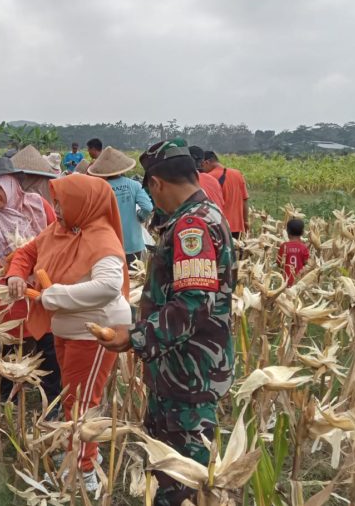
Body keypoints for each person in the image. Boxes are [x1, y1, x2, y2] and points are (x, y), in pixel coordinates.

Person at [95, 139, 235, 506]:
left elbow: (192, 303)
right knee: (170, 469)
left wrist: (136, 338)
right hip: (182, 370)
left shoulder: (192, 227)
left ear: (156, 183)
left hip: (187, 373)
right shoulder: (206, 215)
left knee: (182, 479)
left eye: (150, 189)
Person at [6, 174, 131, 493]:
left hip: (94, 333)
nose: (56, 209)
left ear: (83, 203)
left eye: (62, 203)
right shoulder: (59, 232)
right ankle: (88, 455)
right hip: (66, 329)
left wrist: (54, 296)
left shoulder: (101, 238)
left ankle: (82, 474)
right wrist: (16, 275)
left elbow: (108, 287)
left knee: (81, 403)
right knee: (73, 396)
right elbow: (26, 254)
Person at [0, 156, 62, 407]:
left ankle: (51, 399)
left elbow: (56, 238)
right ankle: (8, 399)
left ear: (12, 184)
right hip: (6, 288)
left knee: (47, 342)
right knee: (9, 342)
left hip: (40, 282)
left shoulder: (38, 205)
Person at [87, 146, 153, 266]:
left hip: (108, 245)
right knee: (134, 279)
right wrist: (141, 217)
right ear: (123, 168)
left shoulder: (100, 188)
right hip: (133, 243)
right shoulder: (134, 185)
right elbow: (148, 207)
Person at [203, 150, 249, 238]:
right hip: (238, 228)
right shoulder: (238, 174)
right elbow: (245, 199)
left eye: (202, 165)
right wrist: (245, 221)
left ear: (207, 162)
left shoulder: (210, 178)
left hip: (220, 227)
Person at [277, 218, 309, 286]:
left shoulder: (283, 246)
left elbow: (279, 263)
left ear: (287, 232)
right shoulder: (304, 247)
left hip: (285, 282)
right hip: (299, 281)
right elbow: (306, 264)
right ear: (302, 233)